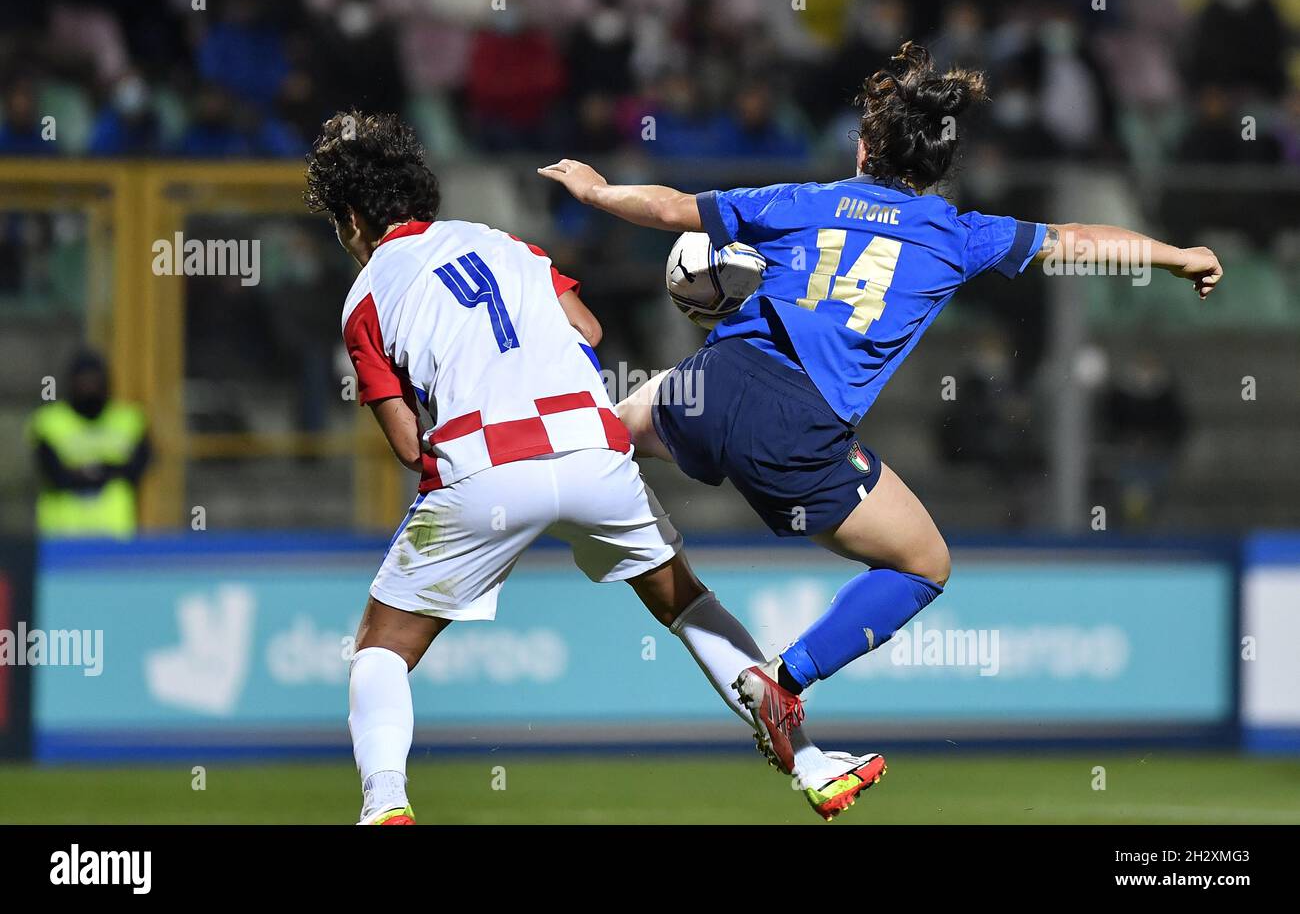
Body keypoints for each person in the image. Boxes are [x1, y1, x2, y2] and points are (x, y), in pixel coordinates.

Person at [539, 41, 1223, 774]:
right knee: (925, 564)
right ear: (937, 170)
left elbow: (674, 209)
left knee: (610, 429)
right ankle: (783, 679)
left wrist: (597, 191)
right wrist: (1176, 255)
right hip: (798, 431)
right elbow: (1079, 243)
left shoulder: (806, 200)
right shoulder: (961, 235)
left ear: (865, 150)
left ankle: (524, 454)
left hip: (716, 380)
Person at [304, 111, 880, 825]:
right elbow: (588, 329)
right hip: (594, 447)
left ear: (353, 216)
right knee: (687, 603)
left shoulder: (365, 298)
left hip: (485, 464)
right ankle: (813, 761)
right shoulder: (502, 242)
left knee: (380, 649)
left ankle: (385, 804)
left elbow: (403, 442)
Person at [28, 349, 151, 538]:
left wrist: (84, 473)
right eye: (83, 381)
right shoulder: (50, 422)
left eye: (94, 381)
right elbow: (53, 474)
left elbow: (137, 469)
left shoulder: (129, 420)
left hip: (115, 535)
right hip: (61, 536)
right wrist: (106, 470)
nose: (89, 387)